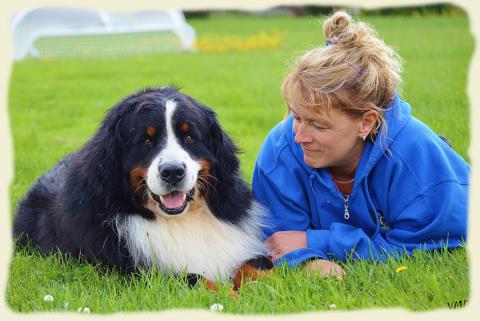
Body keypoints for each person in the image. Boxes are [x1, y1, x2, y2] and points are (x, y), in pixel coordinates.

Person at [252, 11, 469, 276]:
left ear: (366, 122)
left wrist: (322, 242)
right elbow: (279, 238)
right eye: (297, 117)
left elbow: (431, 243)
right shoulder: (280, 150)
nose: (299, 137)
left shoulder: (416, 158)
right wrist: (307, 259)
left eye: (319, 125)